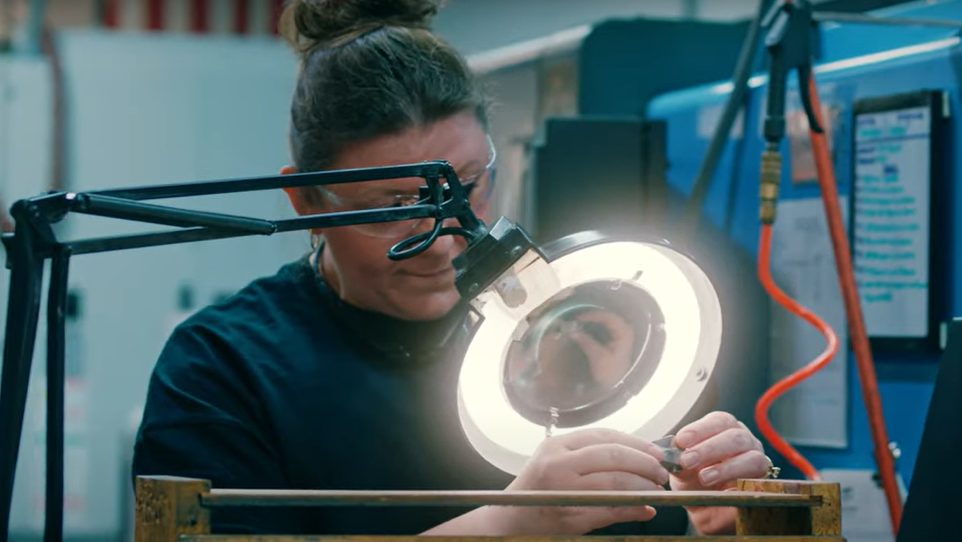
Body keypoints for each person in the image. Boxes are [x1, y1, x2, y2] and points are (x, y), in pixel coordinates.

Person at [131, 0, 773, 537]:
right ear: (305, 199)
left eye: (467, 189)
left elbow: (671, 518)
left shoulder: (575, 322)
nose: (445, 243)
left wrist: (717, 515)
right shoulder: (223, 367)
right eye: (395, 208)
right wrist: (505, 527)